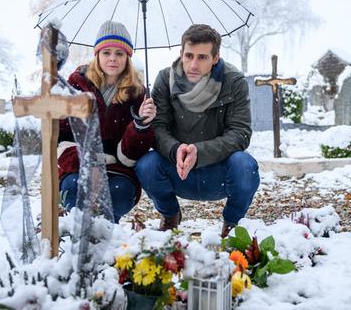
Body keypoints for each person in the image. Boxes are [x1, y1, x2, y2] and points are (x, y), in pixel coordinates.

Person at [135, 24, 260, 237]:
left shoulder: (234, 81)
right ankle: (170, 216)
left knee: (245, 166)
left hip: (218, 169)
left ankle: (232, 224)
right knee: (146, 165)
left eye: (202, 57)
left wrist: (199, 152)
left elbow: (240, 133)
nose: (193, 64)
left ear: (216, 58)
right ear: (181, 53)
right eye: (188, 55)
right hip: (178, 167)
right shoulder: (165, 79)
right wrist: (176, 150)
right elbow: (158, 129)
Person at [57, 20, 155, 223]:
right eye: (106, 52)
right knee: (76, 190)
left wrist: (141, 125)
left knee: (117, 195)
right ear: (97, 55)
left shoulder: (138, 94)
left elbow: (132, 156)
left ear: (127, 58)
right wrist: (88, 163)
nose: (112, 59)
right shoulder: (76, 85)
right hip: (79, 165)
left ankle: (109, 236)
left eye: (119, 53)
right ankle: (77, 241)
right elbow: (62, 136)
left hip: (118, 169)